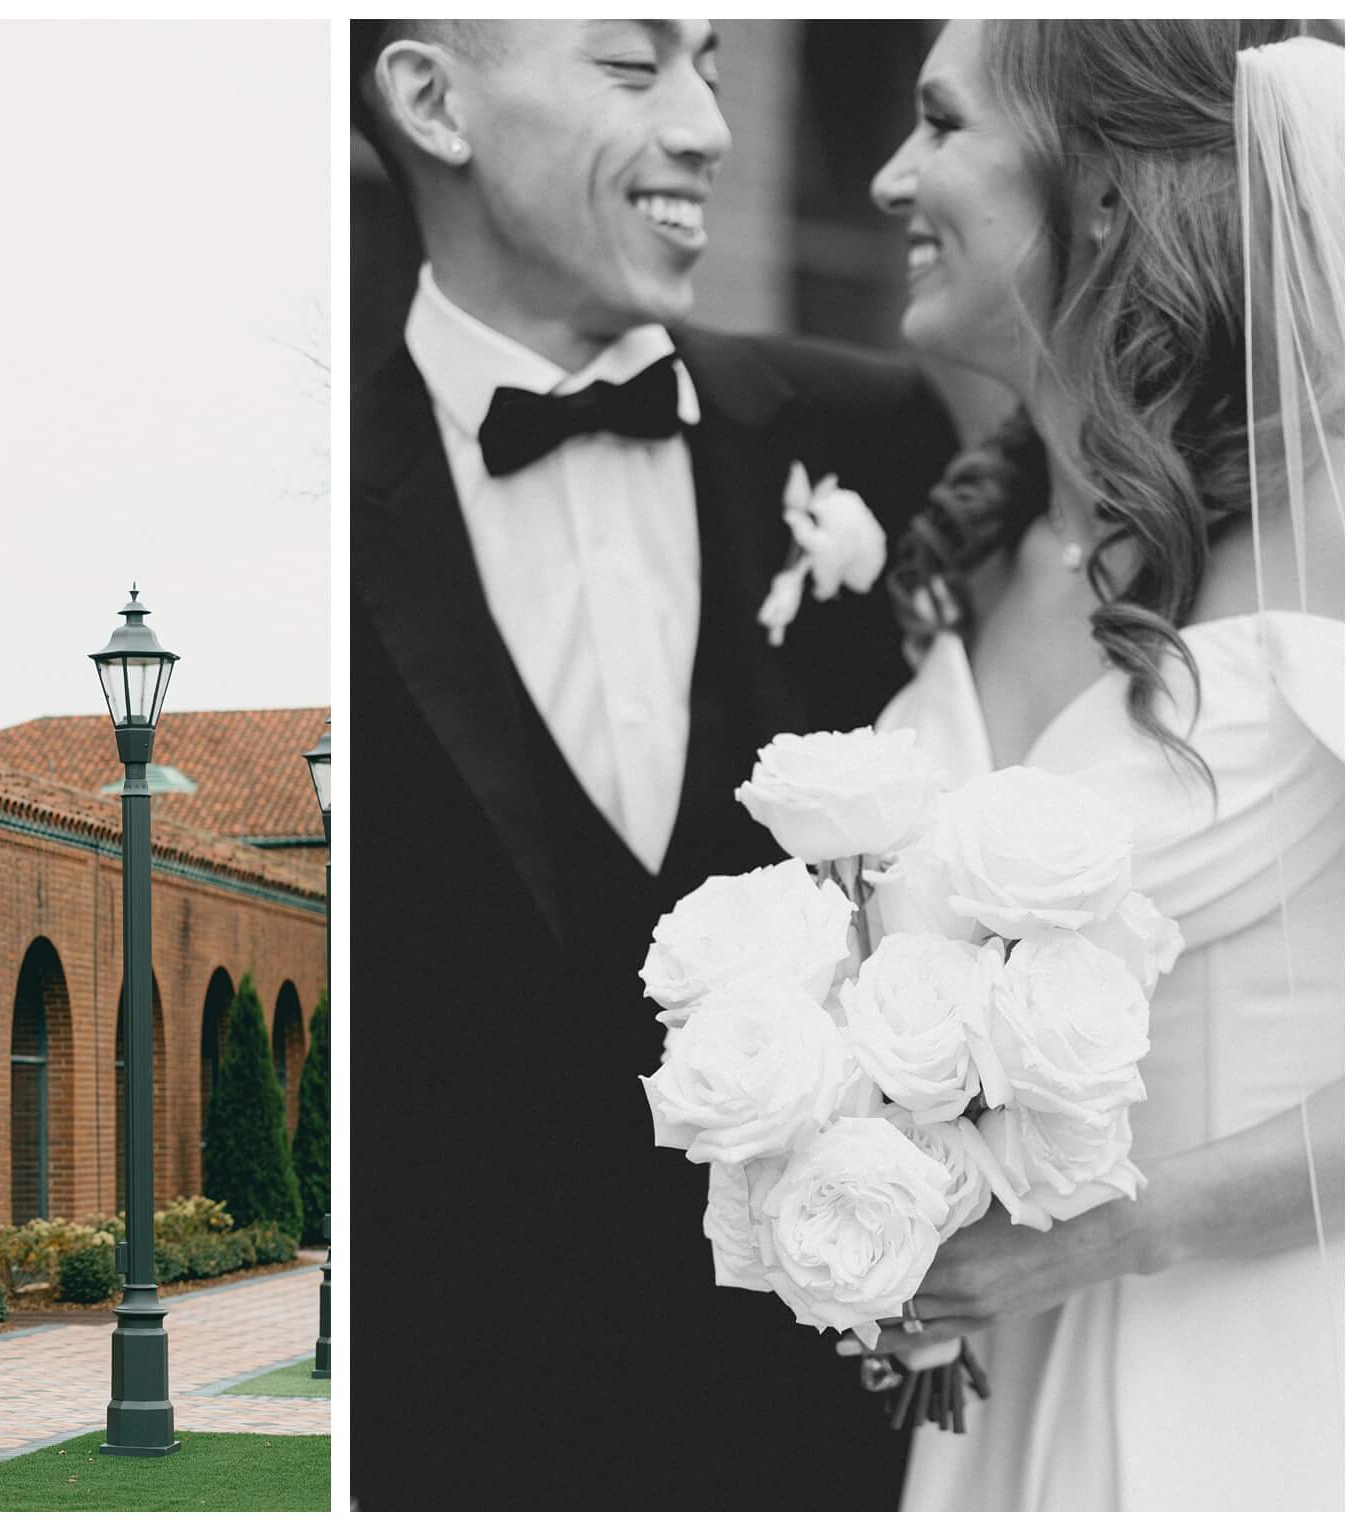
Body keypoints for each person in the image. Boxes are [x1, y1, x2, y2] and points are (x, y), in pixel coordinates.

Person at [349, 20, 959, 1510]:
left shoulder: (871, 435)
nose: (705, 130)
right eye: (635, 71)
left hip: (829, 1439)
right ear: (434, 101)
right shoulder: (317, 492)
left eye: (710, 69)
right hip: (449, 1436)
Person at [860, 20, 1342, 1510]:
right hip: (992, 1407)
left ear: (1108, 198)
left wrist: (1105, 1231)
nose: (889, 178)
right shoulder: (970, 557)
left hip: (1268, 1374)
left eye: (942, 125)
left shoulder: (1331, 539)